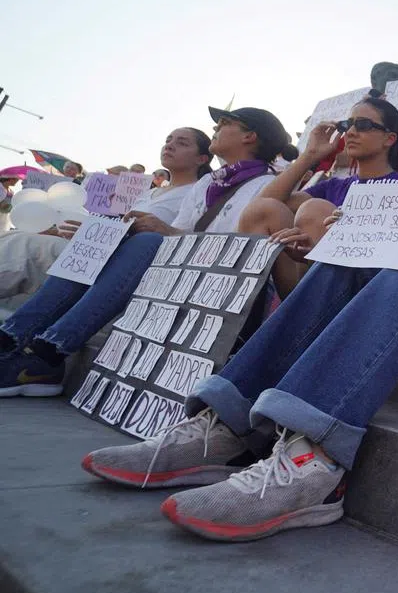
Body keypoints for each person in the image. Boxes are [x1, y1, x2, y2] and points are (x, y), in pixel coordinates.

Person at [80, 68, 398, 543]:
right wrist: (349, 241)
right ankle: (225, 421)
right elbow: (395, 259)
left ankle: (314, 460)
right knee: (341, 262)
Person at [0, 108, 296, 397]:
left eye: (226, 122)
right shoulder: (209, 182)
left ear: (250, 136)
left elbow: (239, 248)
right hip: (172, 265)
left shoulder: (267, 184)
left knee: (147, 242)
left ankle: (48, 352)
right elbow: (180, 230)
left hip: (212, 282)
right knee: (98, 242)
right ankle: (11, 336)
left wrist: (161, 231)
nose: (216, 128)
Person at [1, 129, 212, 315]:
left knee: (24, 246)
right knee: (18, 236)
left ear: (202, 158)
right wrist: (71, 230)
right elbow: (121, 228)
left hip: (128, 262)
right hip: (102, 250)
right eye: (168, 139)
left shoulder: (198, 193)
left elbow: (189, 238)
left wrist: (164, 230)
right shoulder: (151, 193)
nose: (170, 145)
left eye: (182, 143)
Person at [239, 93, 398, 296]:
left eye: (363, 125)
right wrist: (310, 154)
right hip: (306, 286)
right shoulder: (334, 187)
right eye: (347, 125)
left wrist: (326, 243)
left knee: (315, 209)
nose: (352, 132)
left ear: (389, 139)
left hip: (363, 294)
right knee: (262, 210)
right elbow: (261, 208)